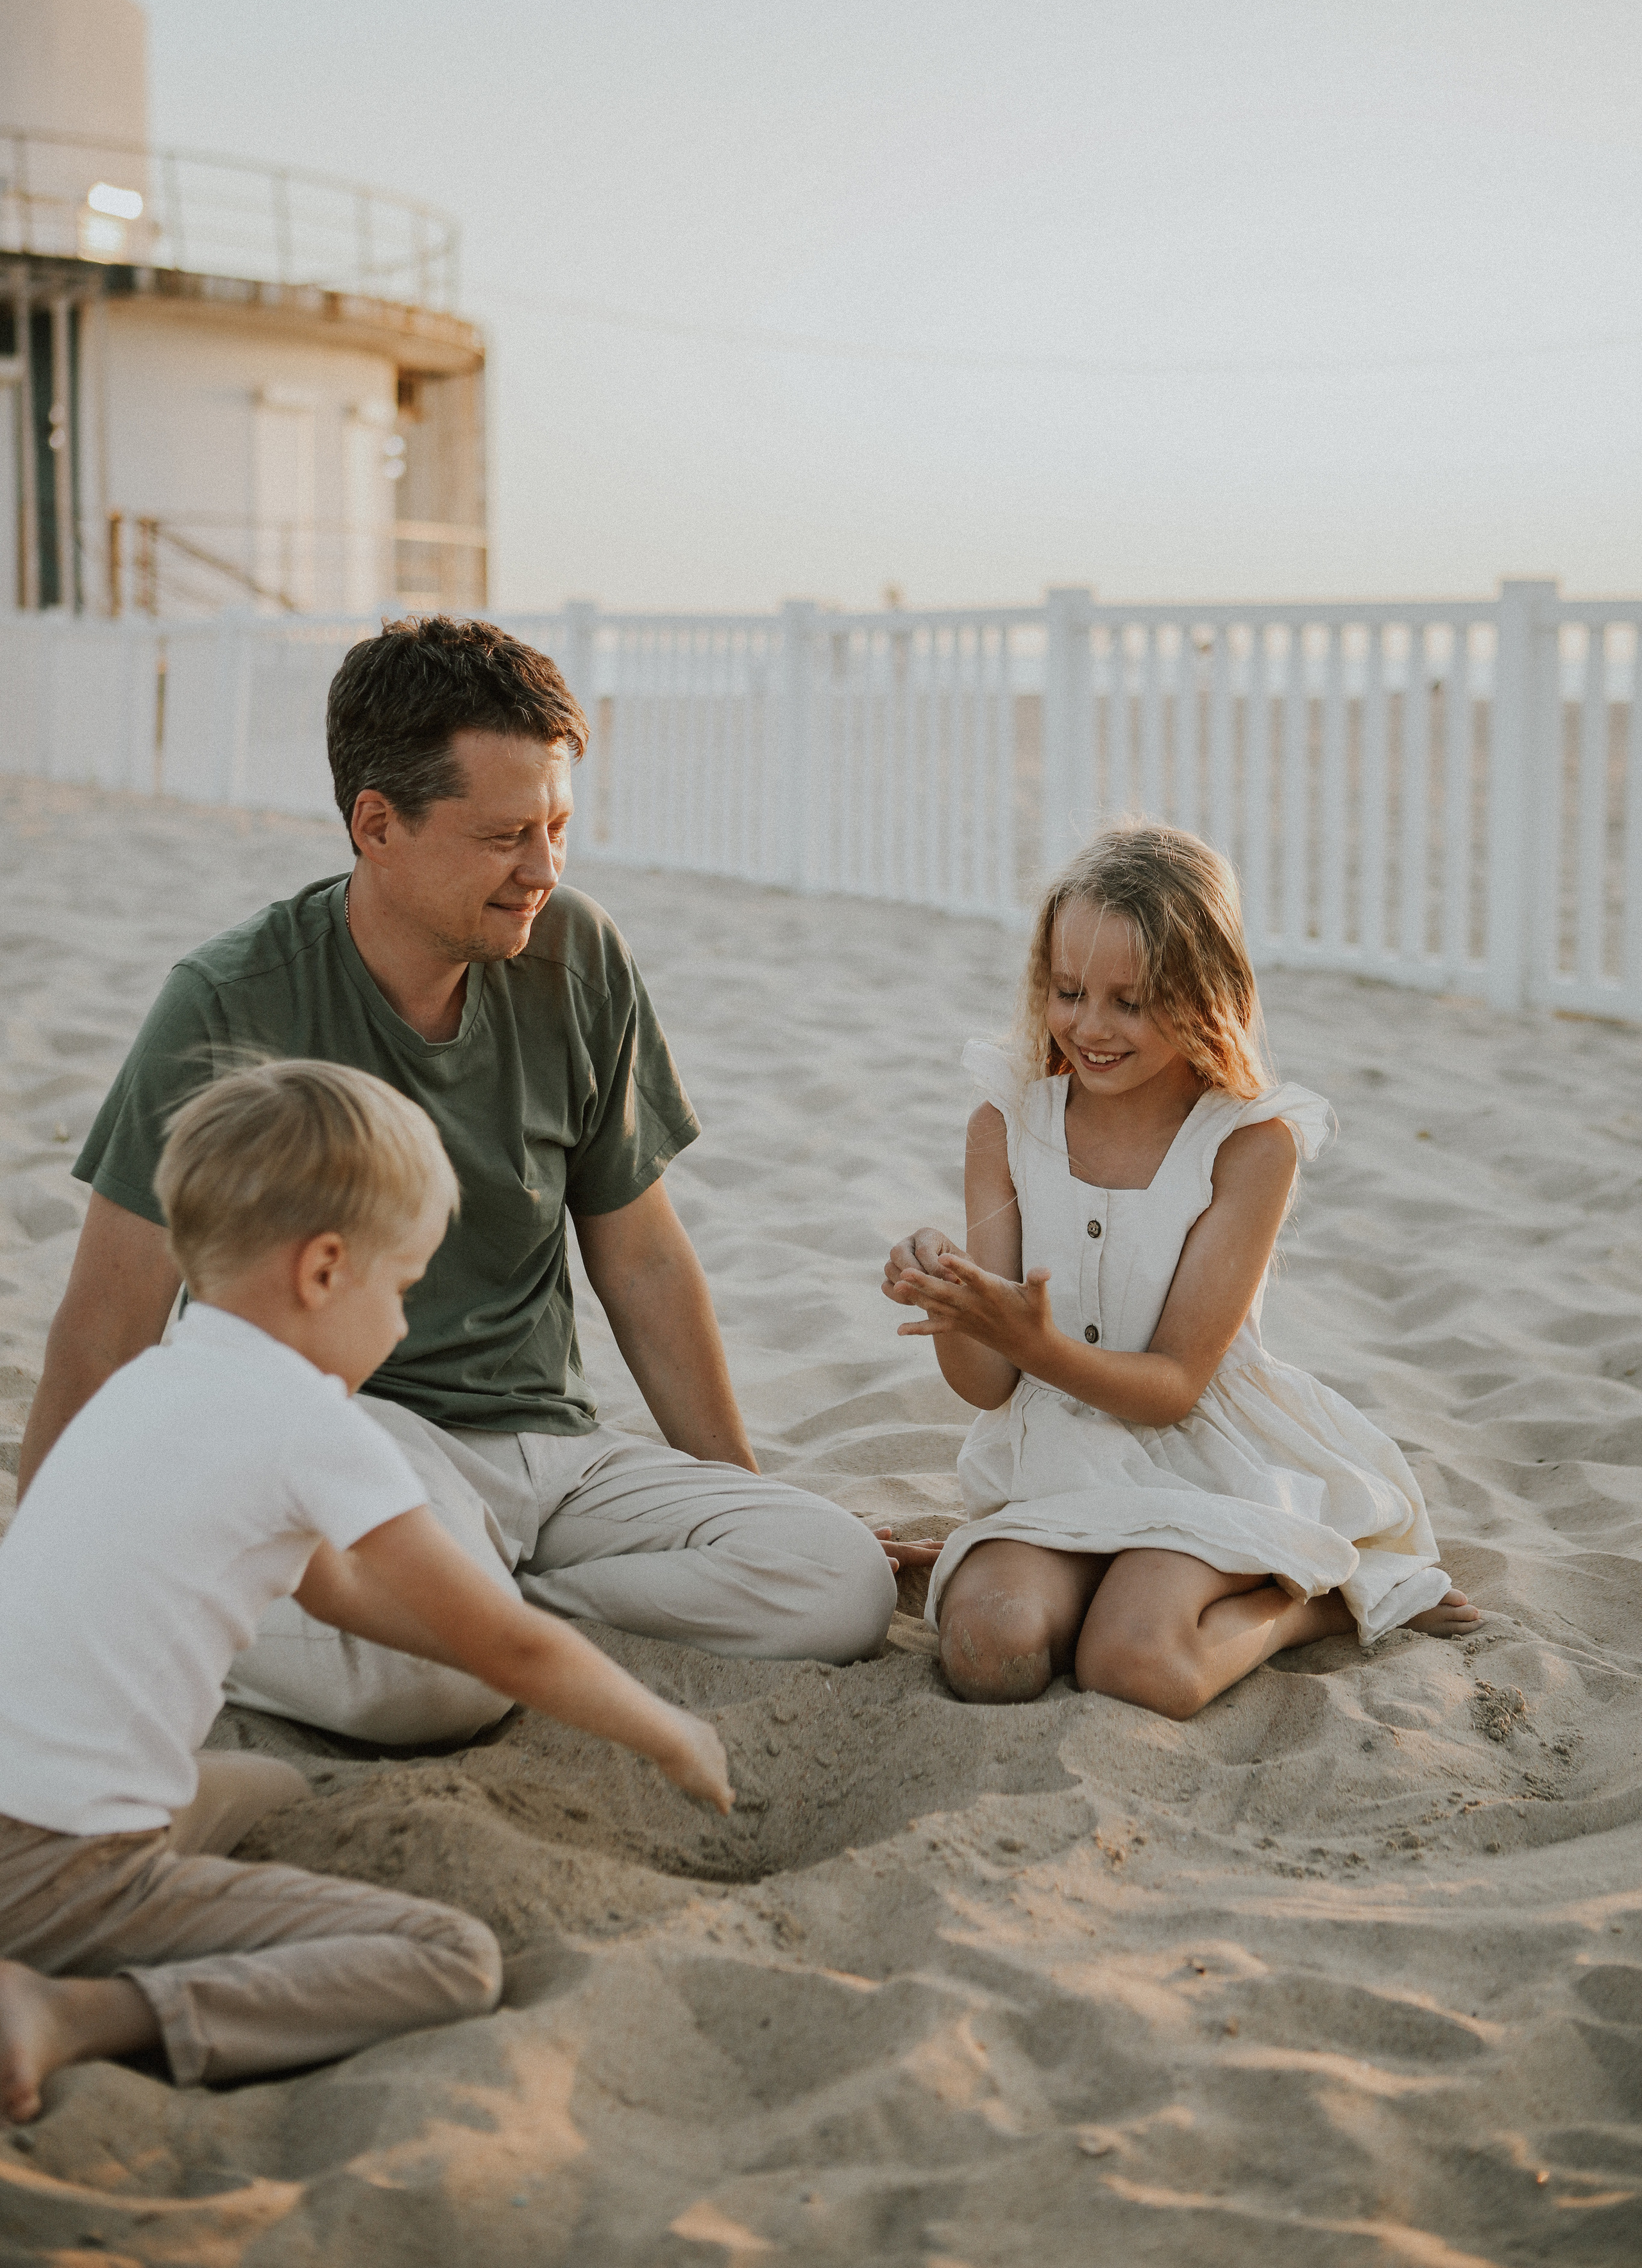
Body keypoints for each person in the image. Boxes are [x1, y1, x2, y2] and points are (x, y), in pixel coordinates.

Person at [18, 615, 895, 1744]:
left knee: (839, 1579)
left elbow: (642, 1255)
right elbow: (105, 1325)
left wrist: (745, 1495)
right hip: (355, 1437)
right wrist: (42, 1580)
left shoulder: (579, 955)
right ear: (377, 826)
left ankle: (492, 1614)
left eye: (560, 827)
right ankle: (425, 1623)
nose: (545, 868)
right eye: (505, 837)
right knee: (436, 1690)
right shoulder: (231, 1002)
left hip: (557, 1450)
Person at [0, 1060, 733, 2125]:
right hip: (59, 1871)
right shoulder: (308, 1423)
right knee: (448, 1958)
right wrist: (667, 1731)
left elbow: (338, 1594)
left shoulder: (151, 1383)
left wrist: (464, 1630)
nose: (398, 1329)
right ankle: (71, 2014)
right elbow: (512, 1651)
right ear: (326, 1270)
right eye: (400, 1290)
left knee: (272, 1792)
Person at [881, 820, 1480, 1717]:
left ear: (1205, 994)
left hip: (1199, 1457)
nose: (1090, 1026)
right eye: (1069, 990)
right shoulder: (1005, 1124)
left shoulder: (1248, 1145)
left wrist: (1034, 1341)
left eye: (1130, 1001)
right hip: (1056, 1455)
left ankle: (1304, 1603)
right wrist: (959, 1308)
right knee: (986, 1651)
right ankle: (1088, 1580)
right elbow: (986, 1385)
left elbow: (1171, 1387)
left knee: (1135, 1666)